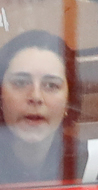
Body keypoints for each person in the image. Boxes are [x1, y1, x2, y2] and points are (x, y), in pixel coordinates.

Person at [0, 31, 75, 184]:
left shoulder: (85, 162)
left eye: (51, 85)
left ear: (69, 100)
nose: (35, 97)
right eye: (20, 83)